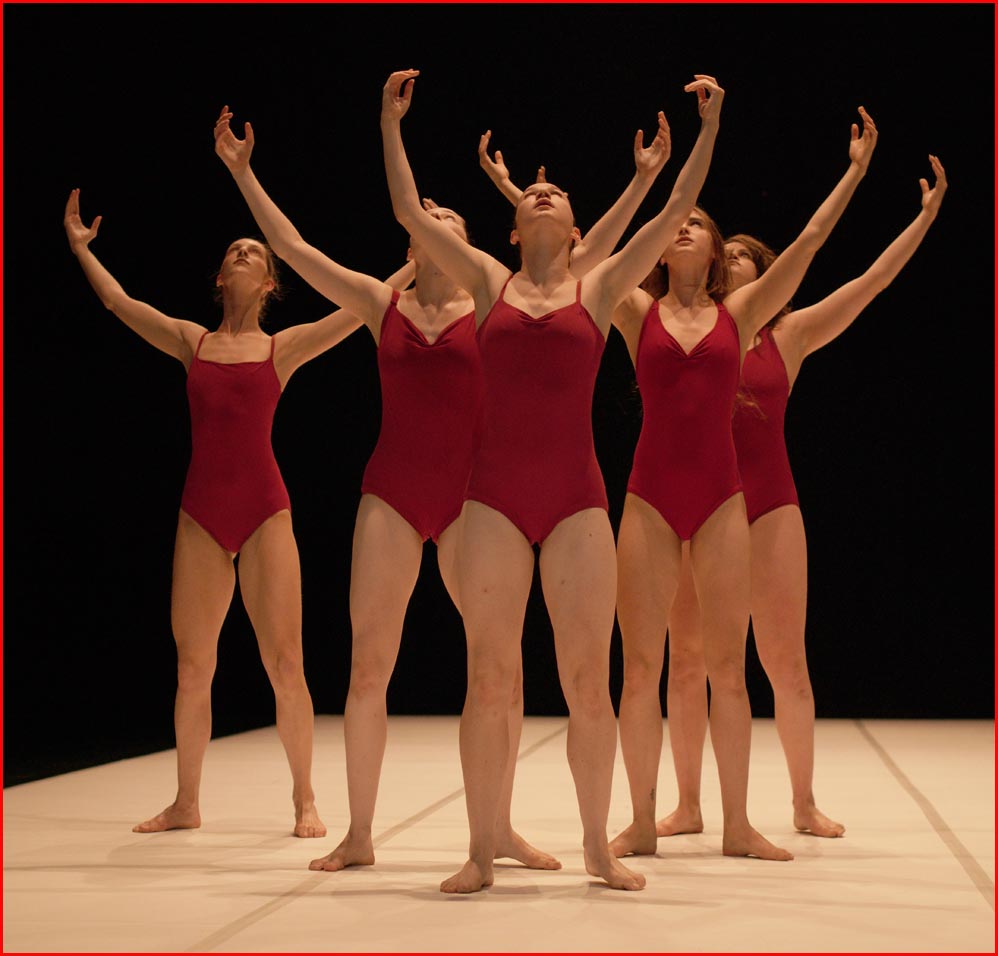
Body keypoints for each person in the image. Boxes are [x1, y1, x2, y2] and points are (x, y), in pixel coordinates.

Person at [211, 98, 672, 874]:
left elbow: (572, 254)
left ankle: (499, 829)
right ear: (415, 244)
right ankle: (361, 833)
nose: (438, 226)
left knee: (500, 669)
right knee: (371, 665)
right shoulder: (380, 302)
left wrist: (602, 186)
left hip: (475, 500)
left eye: (451, 223)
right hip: (393, 494)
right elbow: (294, 246)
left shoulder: (493, 300)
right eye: (429, 223)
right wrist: (244, 172)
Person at [381, 67, 723, 893]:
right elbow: (408, 214)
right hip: (492, 501)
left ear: (574, 229)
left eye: (557, 192)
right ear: (511, 229)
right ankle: (479, 849)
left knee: (586, 684)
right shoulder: (485, 281)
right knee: (488, 677)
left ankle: (598, 847)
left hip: (576, 503)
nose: (543, 191)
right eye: (532, 192)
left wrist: (708, 129)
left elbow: (676, 209)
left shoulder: (598, 286)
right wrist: (390, 125)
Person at [62, 188, 407, 837]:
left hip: (265, 511)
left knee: (285, 664)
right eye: (235, 251)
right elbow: (119, 302)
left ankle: (305, 798)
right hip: (201, 513)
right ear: (222, 277)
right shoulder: (190, 341)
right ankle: (186, 802)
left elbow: (362, 309)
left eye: (255, 251)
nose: (244, 253)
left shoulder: (283, 348)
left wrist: (416, 262)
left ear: (270, 283)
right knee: (193, 666)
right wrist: (83, 250)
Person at [607, 107, 879, 862]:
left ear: (717, 248)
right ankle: (644, 817)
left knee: (729, 668)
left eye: (699, 223)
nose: (685, 228)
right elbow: (588, 255)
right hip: (649, 498)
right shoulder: (634, 308)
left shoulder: (744, 313)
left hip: (724, 502)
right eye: (677, 223)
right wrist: (649, 183)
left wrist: (855, 172)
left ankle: (736, 824)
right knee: (644, 667)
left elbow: (810, 242)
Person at [655, 154, 948, 841]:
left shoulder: (789, 334)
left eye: (742, 257)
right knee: (688, 657)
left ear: (764, 274)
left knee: (786, 660)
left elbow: (871, 282)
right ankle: (689, 804)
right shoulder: (689, 327)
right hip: (699, 501)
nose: (730, 262)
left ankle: (803, 802)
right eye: (726, 256)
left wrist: (924, 219)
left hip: (770, 503)